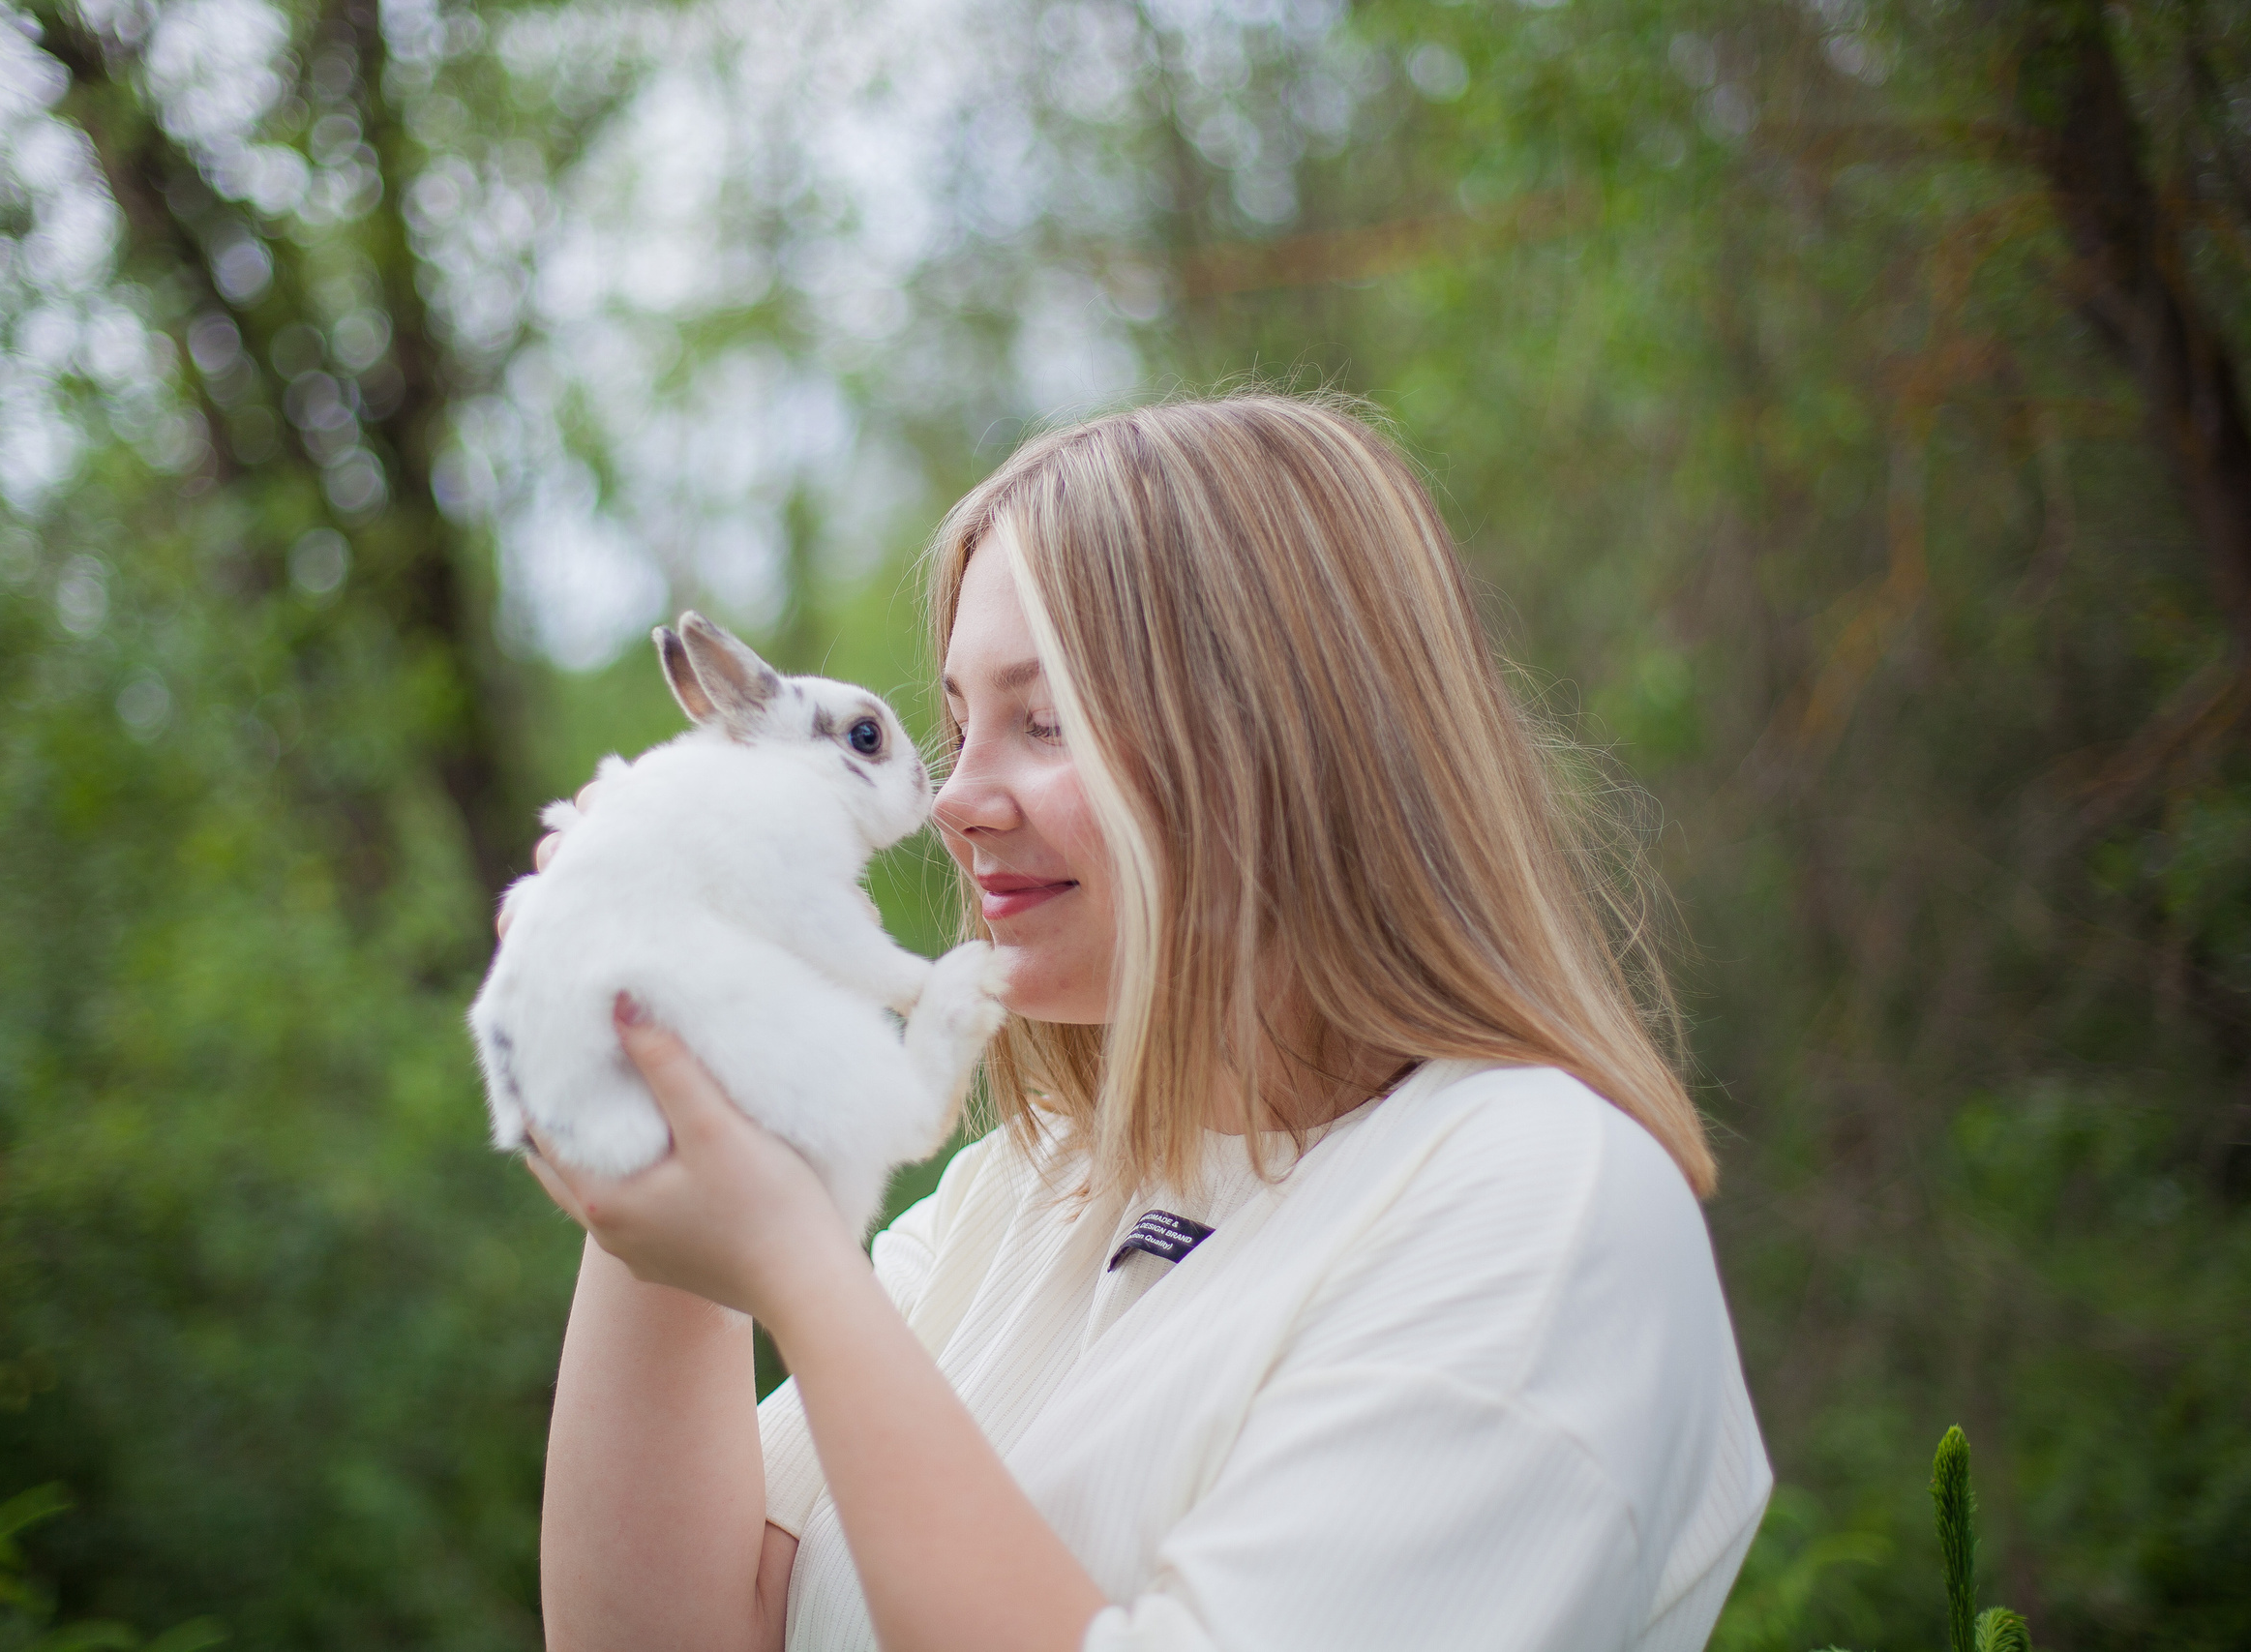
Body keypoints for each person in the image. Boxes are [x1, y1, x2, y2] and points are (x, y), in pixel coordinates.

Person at [500, 395, 1772, 1652]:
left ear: (1286, 745)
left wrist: (802, 1273)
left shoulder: (1537, 1207)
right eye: (955, 726)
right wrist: (665, 1093)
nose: (954, 800)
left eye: (1043, 722)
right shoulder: (1031, 1187)